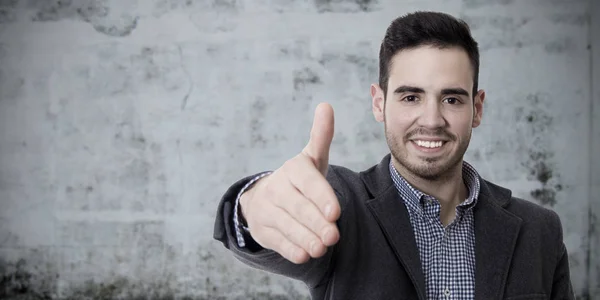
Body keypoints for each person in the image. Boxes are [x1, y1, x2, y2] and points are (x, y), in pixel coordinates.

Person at [213, 11, 575, 300]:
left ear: (477, 108)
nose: (431, 121)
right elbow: (264, 226)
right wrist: (252, 206)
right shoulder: (339, 206)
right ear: (379, 103)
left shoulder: (540, 230)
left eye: (451, 99)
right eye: (410, 97)